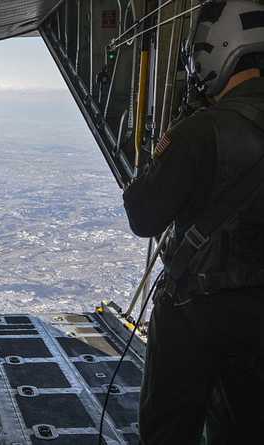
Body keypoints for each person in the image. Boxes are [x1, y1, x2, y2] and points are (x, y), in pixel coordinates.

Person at [122, 2, 264, 443]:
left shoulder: (201, 130)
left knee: (170, 430)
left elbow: (143, 215)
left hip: (197, 312)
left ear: (215, 49)